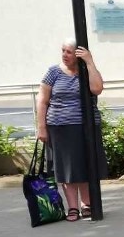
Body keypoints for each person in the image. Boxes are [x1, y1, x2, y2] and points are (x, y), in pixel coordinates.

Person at [36, 39, 108, 222]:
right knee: (66, 169)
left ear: (78, 54)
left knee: (85, 166)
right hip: (60, 128)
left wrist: (90, 62)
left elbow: (97, 89)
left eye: (69, 52)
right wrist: (41, 127)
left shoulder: (86, 71)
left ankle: (86, 204)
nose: (65, 55)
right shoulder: (54, 72)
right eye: (63, 51)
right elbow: (42, 100)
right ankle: (72, 208)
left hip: (87, 127)